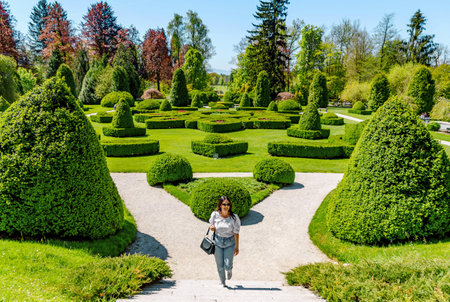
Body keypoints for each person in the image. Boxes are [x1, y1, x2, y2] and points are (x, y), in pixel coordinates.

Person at [209, 196, 241, 287]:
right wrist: (211, 227)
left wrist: (237, 247)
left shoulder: (234, 218)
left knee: (227, 264)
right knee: (220, 265)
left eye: (228, 204)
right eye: (224, 204)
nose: (226, 206)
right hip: (217, 242)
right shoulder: (215, 215)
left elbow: (236, 233)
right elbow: (211, 225)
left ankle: (229, 269)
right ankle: (222, 282)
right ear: (220, 205)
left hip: (229, 243)